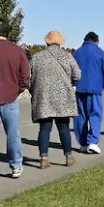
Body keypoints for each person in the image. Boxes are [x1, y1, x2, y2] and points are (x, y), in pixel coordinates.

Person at [0, 19, 30, 182]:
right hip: (10, 96)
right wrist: (20, 89)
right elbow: (25, 75)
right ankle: (16, 165)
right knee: (13, 133)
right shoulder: (17, 50)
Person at [29, 31, 80, 168]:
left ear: (47, 41)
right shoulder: (67, 56)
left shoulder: (36, 57)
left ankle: (44, 158)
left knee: (45, 128)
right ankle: (68, 156)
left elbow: (30, 78)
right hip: (62, 96)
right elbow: (77, 75)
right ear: (60, 42)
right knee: (63, 127)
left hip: (43, 96)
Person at [72, 32, 104, 154]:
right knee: (95, 114)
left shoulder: (76, 53)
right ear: (96, 41)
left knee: (80, 116)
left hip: (79, 89)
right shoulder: (100, 53)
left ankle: (83, 142)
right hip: (95, 89)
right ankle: (93, 141)